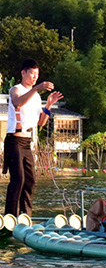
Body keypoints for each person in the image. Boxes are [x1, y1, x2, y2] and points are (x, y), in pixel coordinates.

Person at [4, 59, 63, 217]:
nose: (35, 77)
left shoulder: (36, 97)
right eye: (32, 74)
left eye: (37, 75)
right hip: (14, 140)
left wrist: (48, 105)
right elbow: (17, 103)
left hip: (27, 141)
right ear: (24, 73)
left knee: (30, 180)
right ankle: (10, 216)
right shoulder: (15, 89)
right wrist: (37, 88)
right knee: (18, 179)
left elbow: (40, 123)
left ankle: (25, 216)